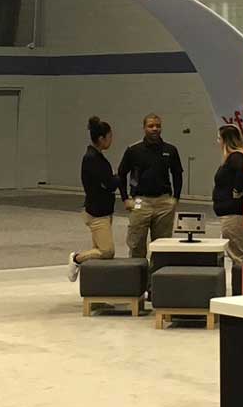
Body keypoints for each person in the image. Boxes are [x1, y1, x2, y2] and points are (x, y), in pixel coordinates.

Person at [119, 113, 183, 259]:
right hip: (141, 202)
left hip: (164, 203)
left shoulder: (170, 150)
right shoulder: (134, 150)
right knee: (136, 244)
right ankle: (137, 279)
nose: (155, 129)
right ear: (144, 128)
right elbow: (121, 174)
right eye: (151, 126)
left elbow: (177, 174)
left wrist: (176, 198)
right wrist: (125, 198)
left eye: (158, 126)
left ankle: (157, 279)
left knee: (162, 246)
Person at [67, 116, 119, 282]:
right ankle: (77, 258)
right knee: (106, 251)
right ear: (101, 138)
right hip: (97, 212)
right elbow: (108, 184)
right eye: (110, 137)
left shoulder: (96, 157)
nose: (111, 140)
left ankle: (96, 293)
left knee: (98, 253)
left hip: (102, 209)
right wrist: (119, 178)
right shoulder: (92, 159)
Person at [211, 125, 243, 265]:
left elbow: (242, 172)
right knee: (235, 251)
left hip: (233, 213)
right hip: (229, 212)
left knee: (237, 254)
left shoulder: (237, 157)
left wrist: (237, 191)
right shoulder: (233, 158)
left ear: (225, 140)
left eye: (219, 138)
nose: (218, 142)